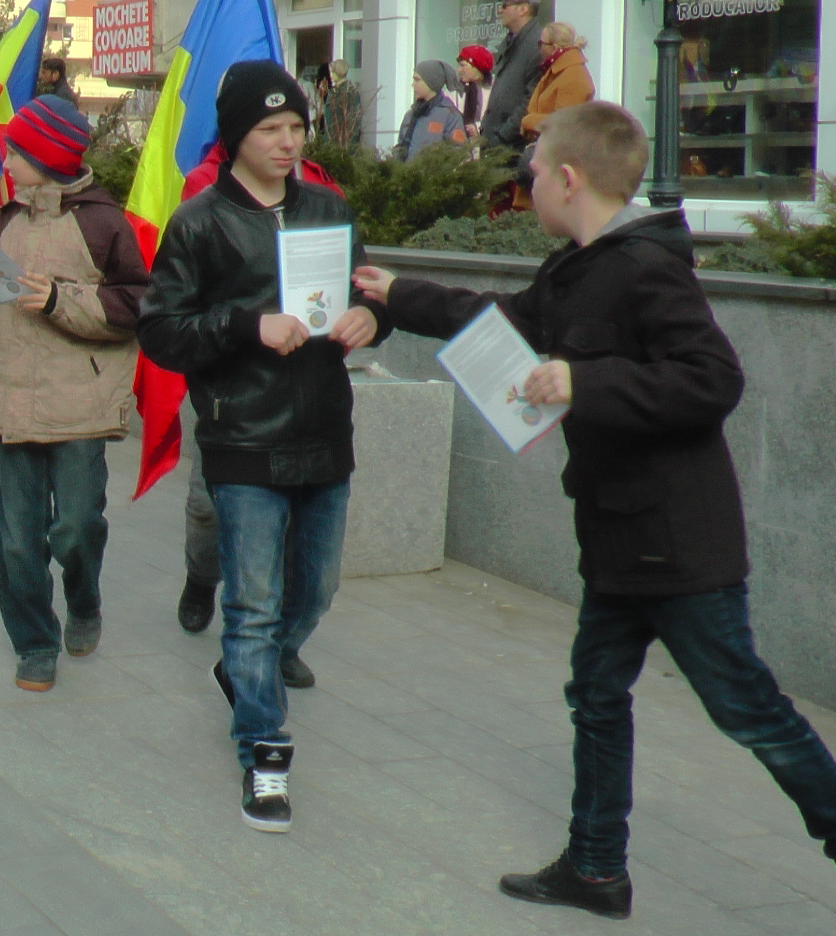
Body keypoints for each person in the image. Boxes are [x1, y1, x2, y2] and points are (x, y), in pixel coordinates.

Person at [352, 101, 836, 918]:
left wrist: (586, 381)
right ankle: (597, 868)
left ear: (568, 179)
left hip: (680, 545)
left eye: (532, 171)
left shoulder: (646, 267)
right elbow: (500, 329)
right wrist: (400, 295)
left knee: (744, 705)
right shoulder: (576, 267)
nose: (526, 183)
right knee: (598, 692)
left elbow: (713, 380)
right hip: (618, 535)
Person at [137, 60, 389, 833]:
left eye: (296, 128)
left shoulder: (328, 209)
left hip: (322, 430)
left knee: (313, 592)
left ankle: (246, 675)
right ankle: (265, 754)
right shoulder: (199, 222)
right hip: (242, 436)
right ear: (236, 138)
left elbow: (369, 297)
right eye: (270, 129)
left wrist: (372, 319)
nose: (287, 142)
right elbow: (161, 330)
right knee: (251, 608)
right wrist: (247, 325)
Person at [0, 95, 148, 694]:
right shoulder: (4, 219)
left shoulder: (103, 222)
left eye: (15, 151)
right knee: (16, 540)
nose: (7, 162)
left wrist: (59, 300)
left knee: (75, 529)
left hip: (81, 404)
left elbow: (137, 305)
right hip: (10, 398)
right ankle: (35, 643)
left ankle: (84, 598)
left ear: (46, 156)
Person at [479, 0, 545, 147]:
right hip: (497, 145)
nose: (499, 10)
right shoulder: (512, 43)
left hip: (512, 149)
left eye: (504, 5)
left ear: (523, 9)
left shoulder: (537, 46)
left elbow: (530, 100)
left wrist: (503, 136)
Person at [521, 21, 595, 139]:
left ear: (554, 48)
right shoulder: (555, 71)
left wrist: (529, 122)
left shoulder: (573, 77)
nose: (538, 48)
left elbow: (563, 124)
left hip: (562, 154)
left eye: (541, 43)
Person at [393, 59, 469, 161]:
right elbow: (401, 145)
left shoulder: (449, 115)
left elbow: (459, 151)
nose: (413, 84)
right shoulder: (410, 115)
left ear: (431, 83)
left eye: (417, 80)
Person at [320, 58, 362, 148]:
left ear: (339, 72)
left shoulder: (350, 93)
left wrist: (350, 143)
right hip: (330, 141)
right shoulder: (332, 92)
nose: (330, 75)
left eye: (332, 73)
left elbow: (354, 120)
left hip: (343, 143)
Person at [455, 45, 494, 133]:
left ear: (476, 67)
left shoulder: (494, 92)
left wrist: (478, 129)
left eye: (463, 65)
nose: (459, 70)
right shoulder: (455, 93)